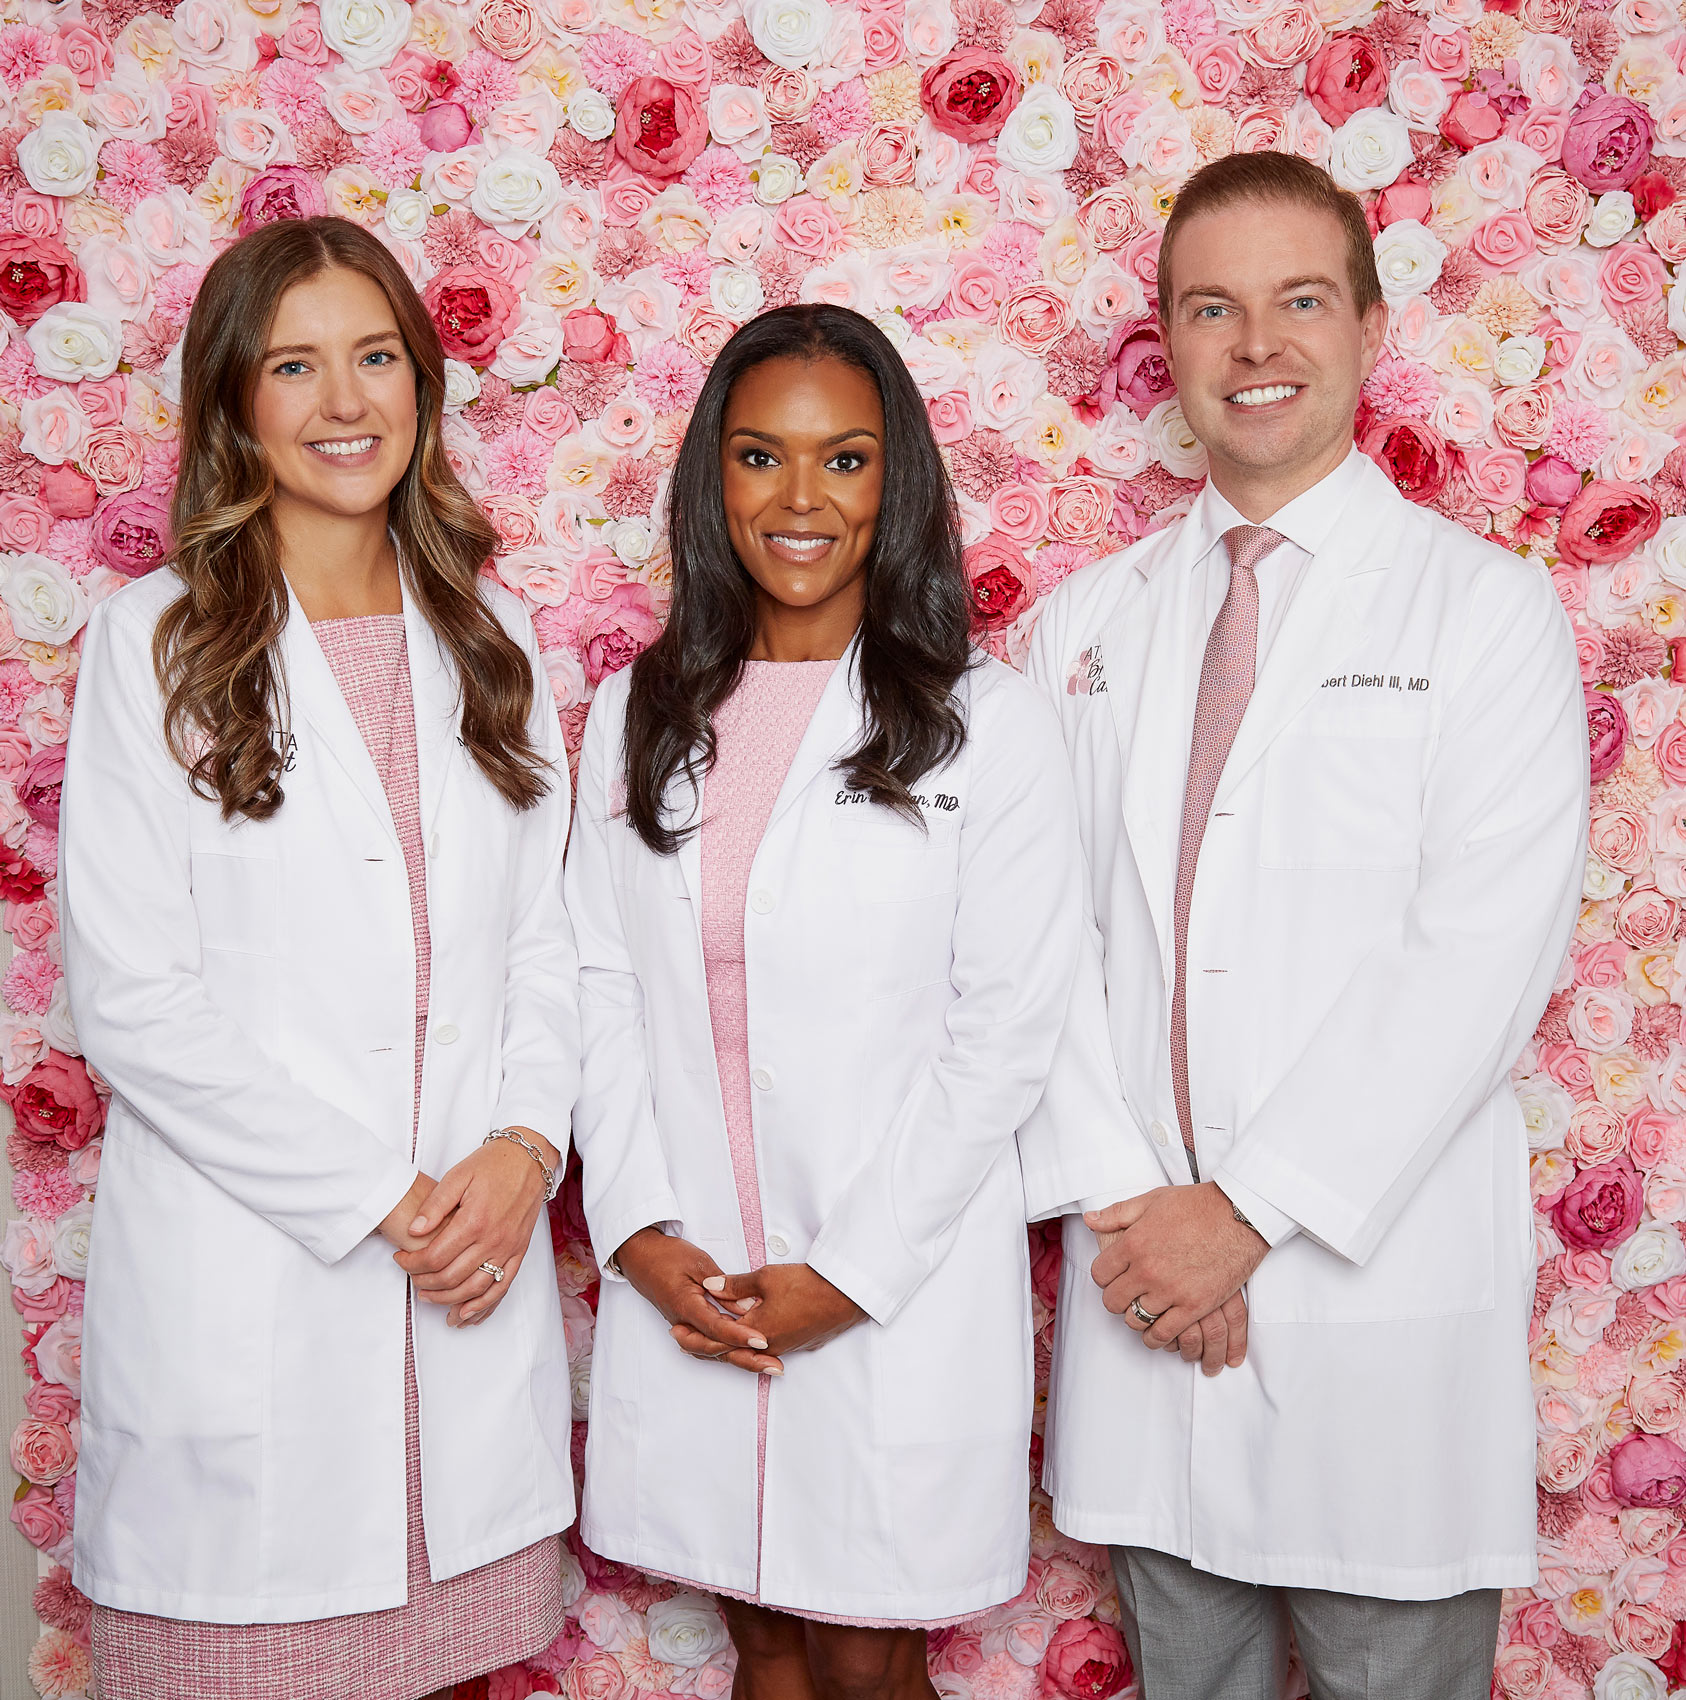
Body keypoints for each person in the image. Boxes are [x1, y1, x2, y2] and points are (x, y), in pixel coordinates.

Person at [1024, 154, 1588, 1699]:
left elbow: (1476, 958)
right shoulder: (1079, 628)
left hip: (1367, 1307)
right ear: (1166, 341)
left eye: (1298, 302)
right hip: (1148, 1298)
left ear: (1368, 327)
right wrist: (1138, 1212)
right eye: (1212, 309)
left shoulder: (1482, 613)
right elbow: (1029, 946)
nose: (1255, 345)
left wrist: (1244, 1213)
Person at [59, 217, 578, 1700]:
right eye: (294, 366)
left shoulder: (496, 638)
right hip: (258, 1310)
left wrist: (524, 1146)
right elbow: (134, 1002)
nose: (346, 403)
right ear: (233, 400)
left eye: (376, 358)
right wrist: (388, 1202)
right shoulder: (152, 644)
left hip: (463, 1315)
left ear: (422, 384)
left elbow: (547, 940)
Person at [564, 304, 1086, 1700]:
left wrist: (848, 1276)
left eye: (844, 459)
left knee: (865, 1656)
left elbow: (1004, 1032)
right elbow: (597, 982)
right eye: (760, 456)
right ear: (712, 478)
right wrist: (638, 1230)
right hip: (695, 1266)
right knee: (766, 1642)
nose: (800, 499)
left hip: (887, 1277)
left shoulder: (984, 724)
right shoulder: (637, 712)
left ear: (894, 483)